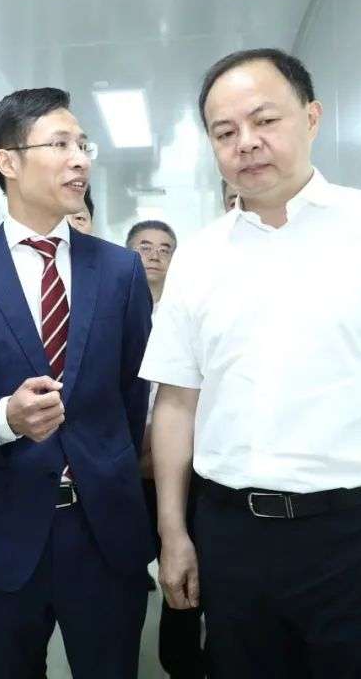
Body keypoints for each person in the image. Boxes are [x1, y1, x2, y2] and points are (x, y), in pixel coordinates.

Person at [141, 49, 361, 678]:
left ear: (311, 118)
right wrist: (174, 533)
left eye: (264, 120)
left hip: (360, 538)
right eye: (225, 132)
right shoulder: (198, 258)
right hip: (232, 537)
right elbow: (176, 404)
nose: (246, 143)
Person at [0, 87, 154, 679]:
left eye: (83, 145)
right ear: (9, 162)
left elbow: (133, 393)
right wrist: (4, 418)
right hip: (3, 532)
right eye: (60, 144)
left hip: (103, 531)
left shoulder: (119, 270)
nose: (80, 160)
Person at [126, 220, 204, 678]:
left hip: (181, 466)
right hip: (124, 467)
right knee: (124, 576)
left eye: (166, 248)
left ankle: (181, 663)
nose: (155, 255)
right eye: (144, 247)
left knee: (185, 568)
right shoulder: (109, 313)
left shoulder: (187, 313)